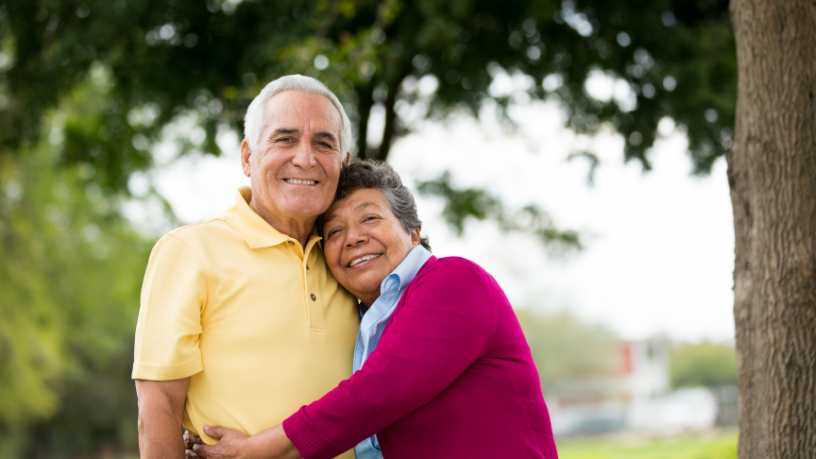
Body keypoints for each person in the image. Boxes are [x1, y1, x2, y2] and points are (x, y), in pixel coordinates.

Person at [187, 161, 559, 459]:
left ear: (413, 232)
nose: (353, 237)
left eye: (370, 218)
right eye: (333, 232)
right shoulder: (357, 324)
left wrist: (254, 450)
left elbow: (375, 394)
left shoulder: (456, 282)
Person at [132, 75, 360, 459]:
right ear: (247, 157)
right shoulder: (190, 251)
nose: (305, 158)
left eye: (324, 143)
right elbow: (159, 409)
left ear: (343, 163)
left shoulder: (353, 260)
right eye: (285, 139)